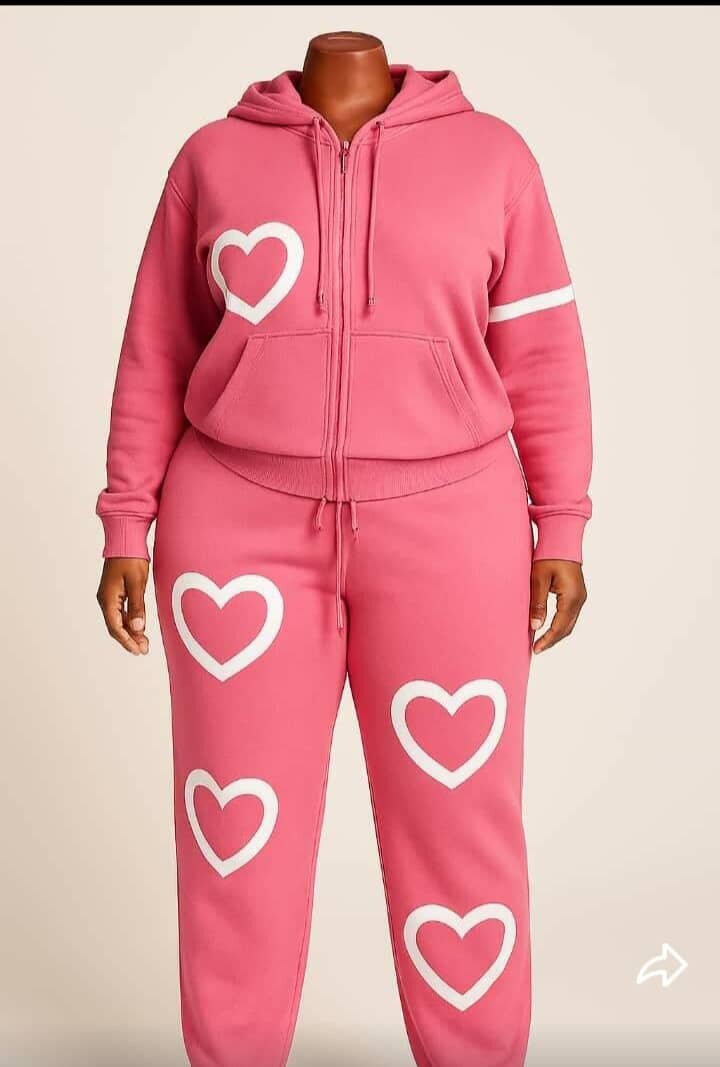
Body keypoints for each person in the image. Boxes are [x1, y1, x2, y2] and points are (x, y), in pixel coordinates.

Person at [95, 32, 592, 1067]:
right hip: (233, 531)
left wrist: (562, 520)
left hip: (454, 526)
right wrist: (126, 519)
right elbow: (156, 347)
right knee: (236, 840)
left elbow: (542, 350)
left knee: (461, 827)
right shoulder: (212, 159)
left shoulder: (494, 158)